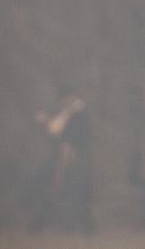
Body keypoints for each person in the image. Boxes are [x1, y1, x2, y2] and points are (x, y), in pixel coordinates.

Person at [30, 90, 95, 233]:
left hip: (74, 162)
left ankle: (87, 227)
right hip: (64, 160)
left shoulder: (80, 115)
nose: (62, 103)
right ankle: (39, 225)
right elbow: (56, 131)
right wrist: (47, 122)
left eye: (63, 100)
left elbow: (78, 135)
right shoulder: (67, 113)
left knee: (72, 192)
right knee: (54, 190)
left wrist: (70, 147)